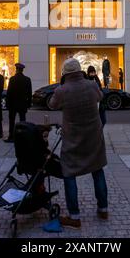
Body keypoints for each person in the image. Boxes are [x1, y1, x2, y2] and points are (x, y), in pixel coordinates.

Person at [49, 58, 108, 229]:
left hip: (73, 138)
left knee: (69, 174)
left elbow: (53, 105)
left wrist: (59, 89)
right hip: (93, 136)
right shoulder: (91, 85)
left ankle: (74, 216)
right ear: (79, 70)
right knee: (98, 169)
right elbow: (100, 97)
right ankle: (103, 209)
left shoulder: (62, 90)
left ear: (65, 73)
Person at [4, 63, 32, 143]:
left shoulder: (12, 79)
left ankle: (11, 136)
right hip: (23, 104)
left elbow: (9, 93)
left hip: (13, 104)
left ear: (16, 69)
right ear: (22, 70)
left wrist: (7, 103)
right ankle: (23, 136)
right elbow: (29, 93)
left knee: (11, 121)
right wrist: (29, 103)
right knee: (23, 120)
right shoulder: (27, 79)